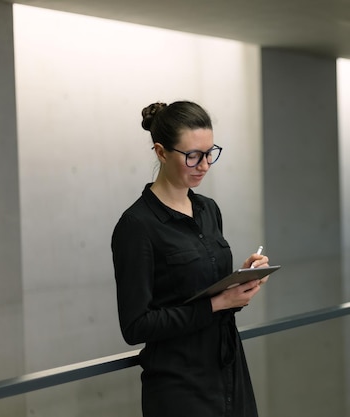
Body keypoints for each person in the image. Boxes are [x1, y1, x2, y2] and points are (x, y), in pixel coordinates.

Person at [111, 100, 269, 417]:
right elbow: (136, 326)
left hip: (228, 369)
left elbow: (206, 288)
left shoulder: (208, 209)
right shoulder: (137, 226)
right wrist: (216, 304)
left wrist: (242, 282)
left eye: (210, 153)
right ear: (161, 152)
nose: (205, 164)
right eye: (193, 155)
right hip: (178, 385)